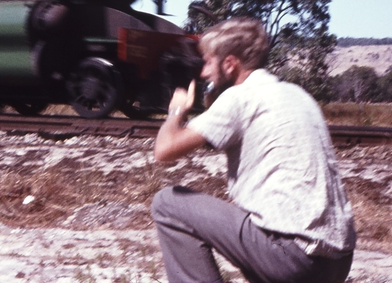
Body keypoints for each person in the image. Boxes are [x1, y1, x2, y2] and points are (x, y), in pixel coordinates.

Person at [151, 17, 355, 283]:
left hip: (291, 257)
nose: (203, 73)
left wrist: (176, 111)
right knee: (258, 223)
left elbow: (164, 151)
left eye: (209, 61)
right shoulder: (297, 94)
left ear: (230, 63)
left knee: (167, 203)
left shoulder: (239, 97)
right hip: (337, 262)